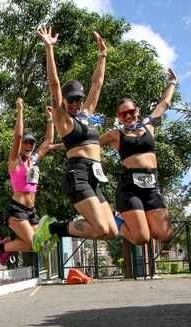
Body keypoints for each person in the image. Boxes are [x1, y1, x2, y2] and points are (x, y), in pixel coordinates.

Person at [33, 25, 117, 253]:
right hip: (77, 174)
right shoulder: (64, 120)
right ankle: (54, 229)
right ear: (64, 101)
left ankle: (57, 228)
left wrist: (102, 56)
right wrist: (49, 49)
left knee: (112, 231)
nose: (75, 103)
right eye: (71, 100)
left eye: (78, 99)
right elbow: (54, 85)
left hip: (94, 176)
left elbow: (97, 85)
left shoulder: (87, 114)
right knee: (99, 228)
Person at [99, 68, 177, 244]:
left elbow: (164, 103)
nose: (128, 116)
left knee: (164, 235)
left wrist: (172, 83)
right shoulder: (115, 134)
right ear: (119, 117)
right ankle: (115, 221)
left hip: (151, 186)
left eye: (131, 111)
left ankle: (133, 220)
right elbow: (89, 143)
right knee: (141, 238)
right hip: (129, 188)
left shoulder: (149, 125)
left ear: (137, 111)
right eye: (123, 114)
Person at [0, 98, 62, 266]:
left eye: (31, 142)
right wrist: (20, 111)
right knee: (32, 244)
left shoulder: (34, 160)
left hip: (31, 211)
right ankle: (1, 247)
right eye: (25, 142)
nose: (28, 144)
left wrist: (50, 118)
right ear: (21, 145)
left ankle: (6, 244)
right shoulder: (14, 161)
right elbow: (18, 135)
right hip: (16, 210)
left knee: (39, 245)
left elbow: (48, 141)